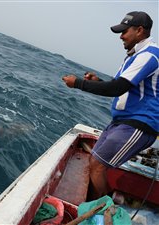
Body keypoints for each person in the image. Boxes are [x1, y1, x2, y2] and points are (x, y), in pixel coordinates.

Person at [62, 11, 159, 200]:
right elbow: (122, 86)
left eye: (124, 31)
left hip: (140, 123)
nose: (121, 36)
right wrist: (97, 81)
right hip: (123, 122)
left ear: (140, 31)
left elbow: (116, 88)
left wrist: (78, 84)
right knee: (94, 164)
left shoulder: (150, 55)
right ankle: (94, 206)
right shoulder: (134, 56)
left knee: (97, 166)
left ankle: (102, 210)